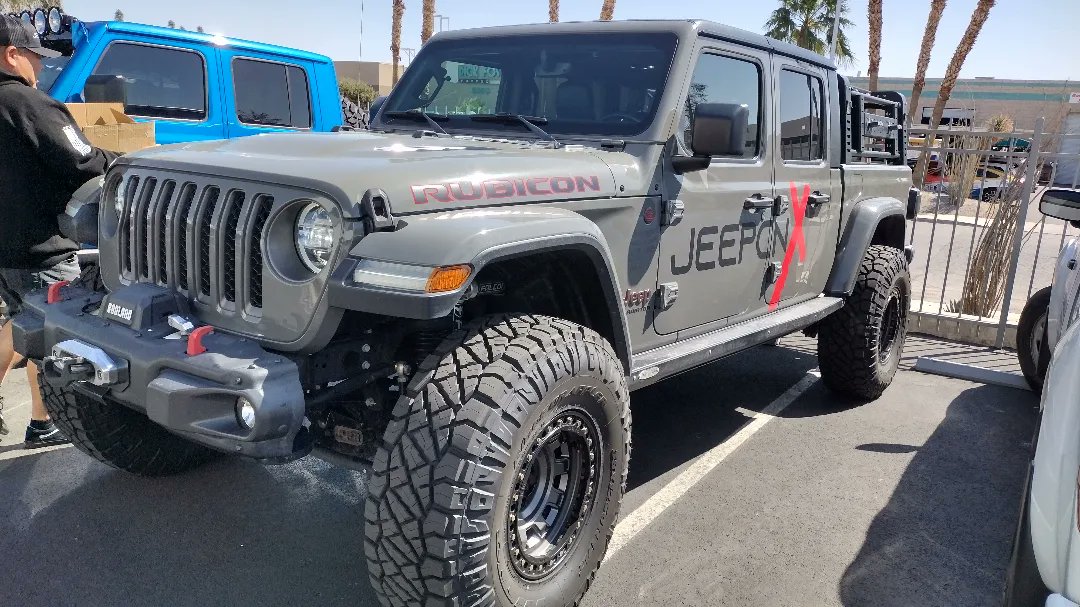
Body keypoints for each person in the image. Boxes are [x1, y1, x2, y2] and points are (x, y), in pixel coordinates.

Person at [0, 15, 117, 447]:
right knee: (53, 338)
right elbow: (83, 160)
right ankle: (44, 422)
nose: (40, 67)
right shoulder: (26, 103)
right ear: (12, 55)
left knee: (20, 325)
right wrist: (125, 159)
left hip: (6, 248)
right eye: (35, 57)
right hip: (41, 248)